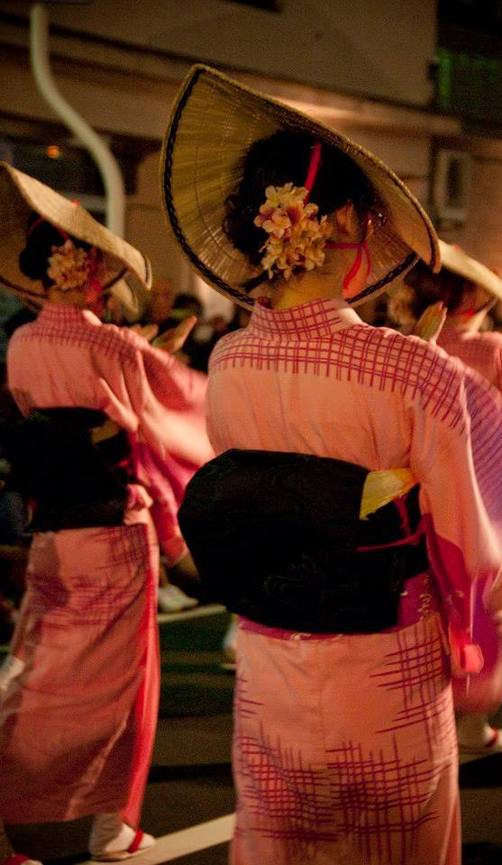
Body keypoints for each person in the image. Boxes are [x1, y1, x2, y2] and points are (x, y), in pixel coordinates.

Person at [163, 66, 502, 865]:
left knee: (279, 845)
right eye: (365, 216)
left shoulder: (227, 359)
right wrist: (476, 649)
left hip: (268, 670)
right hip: (385, 670)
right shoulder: (412, 370)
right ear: (335, 227)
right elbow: (468, 540)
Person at [0, 162, 210, 865]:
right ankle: (105, 822)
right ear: (93, 275)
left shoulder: (22, 343)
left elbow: (36, 427)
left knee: (37, 670)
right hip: (116, 530)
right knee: (123, 685)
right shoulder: (114, 345)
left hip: (51, 530)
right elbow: (161, 438)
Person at [390, 242, 502, 753]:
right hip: (485, 505)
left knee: (426, 607)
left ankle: (425, 720)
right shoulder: (495, 351)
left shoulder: (406, 345)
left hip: (420, 497)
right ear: (472, 298)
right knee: (486, 607)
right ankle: (472, 725)